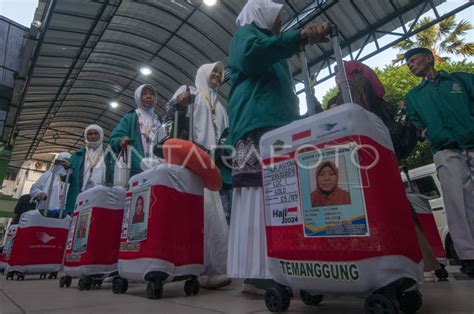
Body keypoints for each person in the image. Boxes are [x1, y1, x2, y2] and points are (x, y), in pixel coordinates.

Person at [226, 0, 331, 293]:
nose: (279, 24)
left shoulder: (272, 43)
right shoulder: (246, 35)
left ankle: (285, 261)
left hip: (278, 126)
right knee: (258, 191)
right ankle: (258, 269)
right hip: (257, 125)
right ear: (261, 15)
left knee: (281, 195)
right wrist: (299, 37)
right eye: (276, 18)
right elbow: (250, 58)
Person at [404, 47, 474, 278]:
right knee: (456, 201)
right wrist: (433, 133)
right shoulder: (413, 96)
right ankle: (469, 255)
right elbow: (417, 125)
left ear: (428, 58)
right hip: (444, 150)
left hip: (471, 141)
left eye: (414, 60)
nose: (411, 65)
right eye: (408, 64)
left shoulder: (460, 80)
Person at [167, 62, 231, 289]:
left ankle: (213, 268)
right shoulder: (190, 92)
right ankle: (199, 269)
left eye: (220, 74)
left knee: (216, 215)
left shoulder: (221, 105)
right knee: (199, 214)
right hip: (191, 159)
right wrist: (179, 102)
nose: (217, 76)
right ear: (203, 74)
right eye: (213, 72)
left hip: (214, 164)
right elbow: (169, 111)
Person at [334, 60, 418, 160]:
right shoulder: (367, 88)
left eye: (338, 75)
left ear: (346, 74)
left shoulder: (352, 91)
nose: (336, 78)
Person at [109, 84, 161, 177]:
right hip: (135, 169)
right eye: (144, 94)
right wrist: (120, 141)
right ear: (138, 97)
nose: (148, 96)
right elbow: (115, 137)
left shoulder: (159, 120)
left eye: (152, 94)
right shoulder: (130, 117)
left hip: (156, 168)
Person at [65, 124, 106, 215]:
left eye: (96, 133)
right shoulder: (76, 156)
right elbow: (65, 179)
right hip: (78, 198)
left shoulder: (108, 155)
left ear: (101, 135)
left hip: (99, 197)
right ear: (86, 136)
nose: (93, 136)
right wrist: (66, 170)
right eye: (90, 134)